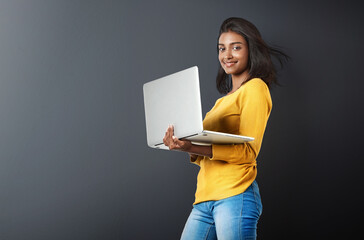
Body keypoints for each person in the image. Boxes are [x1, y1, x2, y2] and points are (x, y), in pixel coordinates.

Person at [163, 17, 288, 240]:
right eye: (222, 48)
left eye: (236, 47)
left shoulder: (256, 89)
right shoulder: (222, 102)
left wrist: (193, 146)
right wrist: (184, 146)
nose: (227, 55)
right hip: (204, 199)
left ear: (251, 50)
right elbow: (205, 156)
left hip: (235, 195)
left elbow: (248, 153)